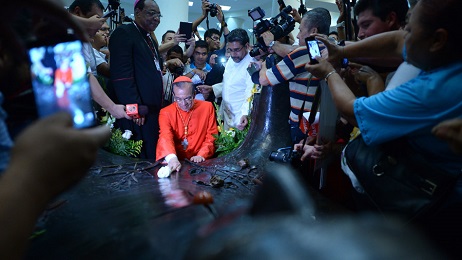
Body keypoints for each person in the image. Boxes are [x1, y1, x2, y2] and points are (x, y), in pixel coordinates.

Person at [305, 0, 462, 255]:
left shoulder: (431, 91)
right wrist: (340, 51)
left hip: (432, 213)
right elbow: (397, 42)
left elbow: (353, 110)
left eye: (409, 30)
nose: (403, 34)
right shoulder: (446, 55)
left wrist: (329, 73)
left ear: (437, 40)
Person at [258, 7, 331, 144]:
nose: (297, 36)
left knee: (300, 161)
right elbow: (294, 49)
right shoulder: (332, 47)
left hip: (303, 124)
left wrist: (263, 66)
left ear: (314, 31)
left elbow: (264, 80)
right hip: (326, 122)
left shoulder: (304, 53)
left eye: (301, 30)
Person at [109, 0, 164, 159]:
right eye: (151, 13)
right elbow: (122, 76)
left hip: (150, 110)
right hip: (137, 112)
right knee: (139, 157)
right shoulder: (124, 33)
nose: (156, 18)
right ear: (137, 12)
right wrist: (134, 109)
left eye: (158, 15)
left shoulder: (149, 38)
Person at [156, 76, 217, 172]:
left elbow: (212, 135)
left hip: (201, 161)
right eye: (178, 99)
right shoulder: (165, 112)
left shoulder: (207, 107)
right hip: (177, 162)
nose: (183, 103)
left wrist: (202, 154)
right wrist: (172, 158)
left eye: (188, 98)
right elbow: (165, 135)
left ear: (194, 94)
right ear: (173, 95)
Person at [197, 28, 254, 131]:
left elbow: (250, 91)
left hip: (241, 116)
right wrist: (212, 88)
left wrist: (245, 113)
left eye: (236, 50)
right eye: (230, 50)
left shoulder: (252, 63)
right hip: (227, 113)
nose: (233, 54)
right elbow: (229, 83)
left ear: (246, 46)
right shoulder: (232, 60)